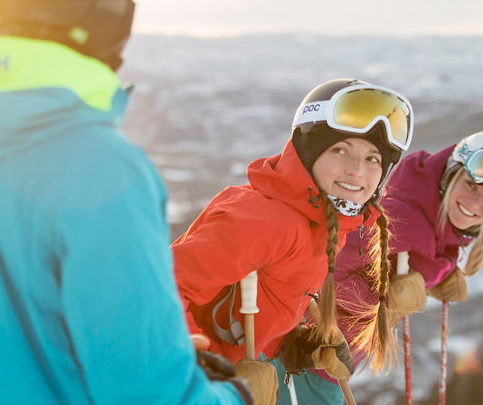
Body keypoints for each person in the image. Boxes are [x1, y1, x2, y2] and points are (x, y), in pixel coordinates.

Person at [0, 0, 251, 403]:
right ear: (104, 9)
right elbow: (150, 397)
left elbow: (8, 346)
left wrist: (168, 357)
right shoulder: (103, 170)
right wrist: (233, 395)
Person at [171, 78, 415, 402]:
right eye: (340, 150)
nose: (357, 170)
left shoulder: (323, 221)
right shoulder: (271, 221)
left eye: (373, 158)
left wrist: (297, 345)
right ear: (308, 152)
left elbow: (251, 306)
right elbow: (156, 291)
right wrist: (209, 373)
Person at [284, 130, 483, 403]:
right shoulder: (402, 218)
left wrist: (438, 273)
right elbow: (326, 265)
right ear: (450, 176)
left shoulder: (440, 225)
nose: (475, 202)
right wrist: (384, 297)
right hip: (307, 353)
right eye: (470, 185)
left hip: (332, 359)